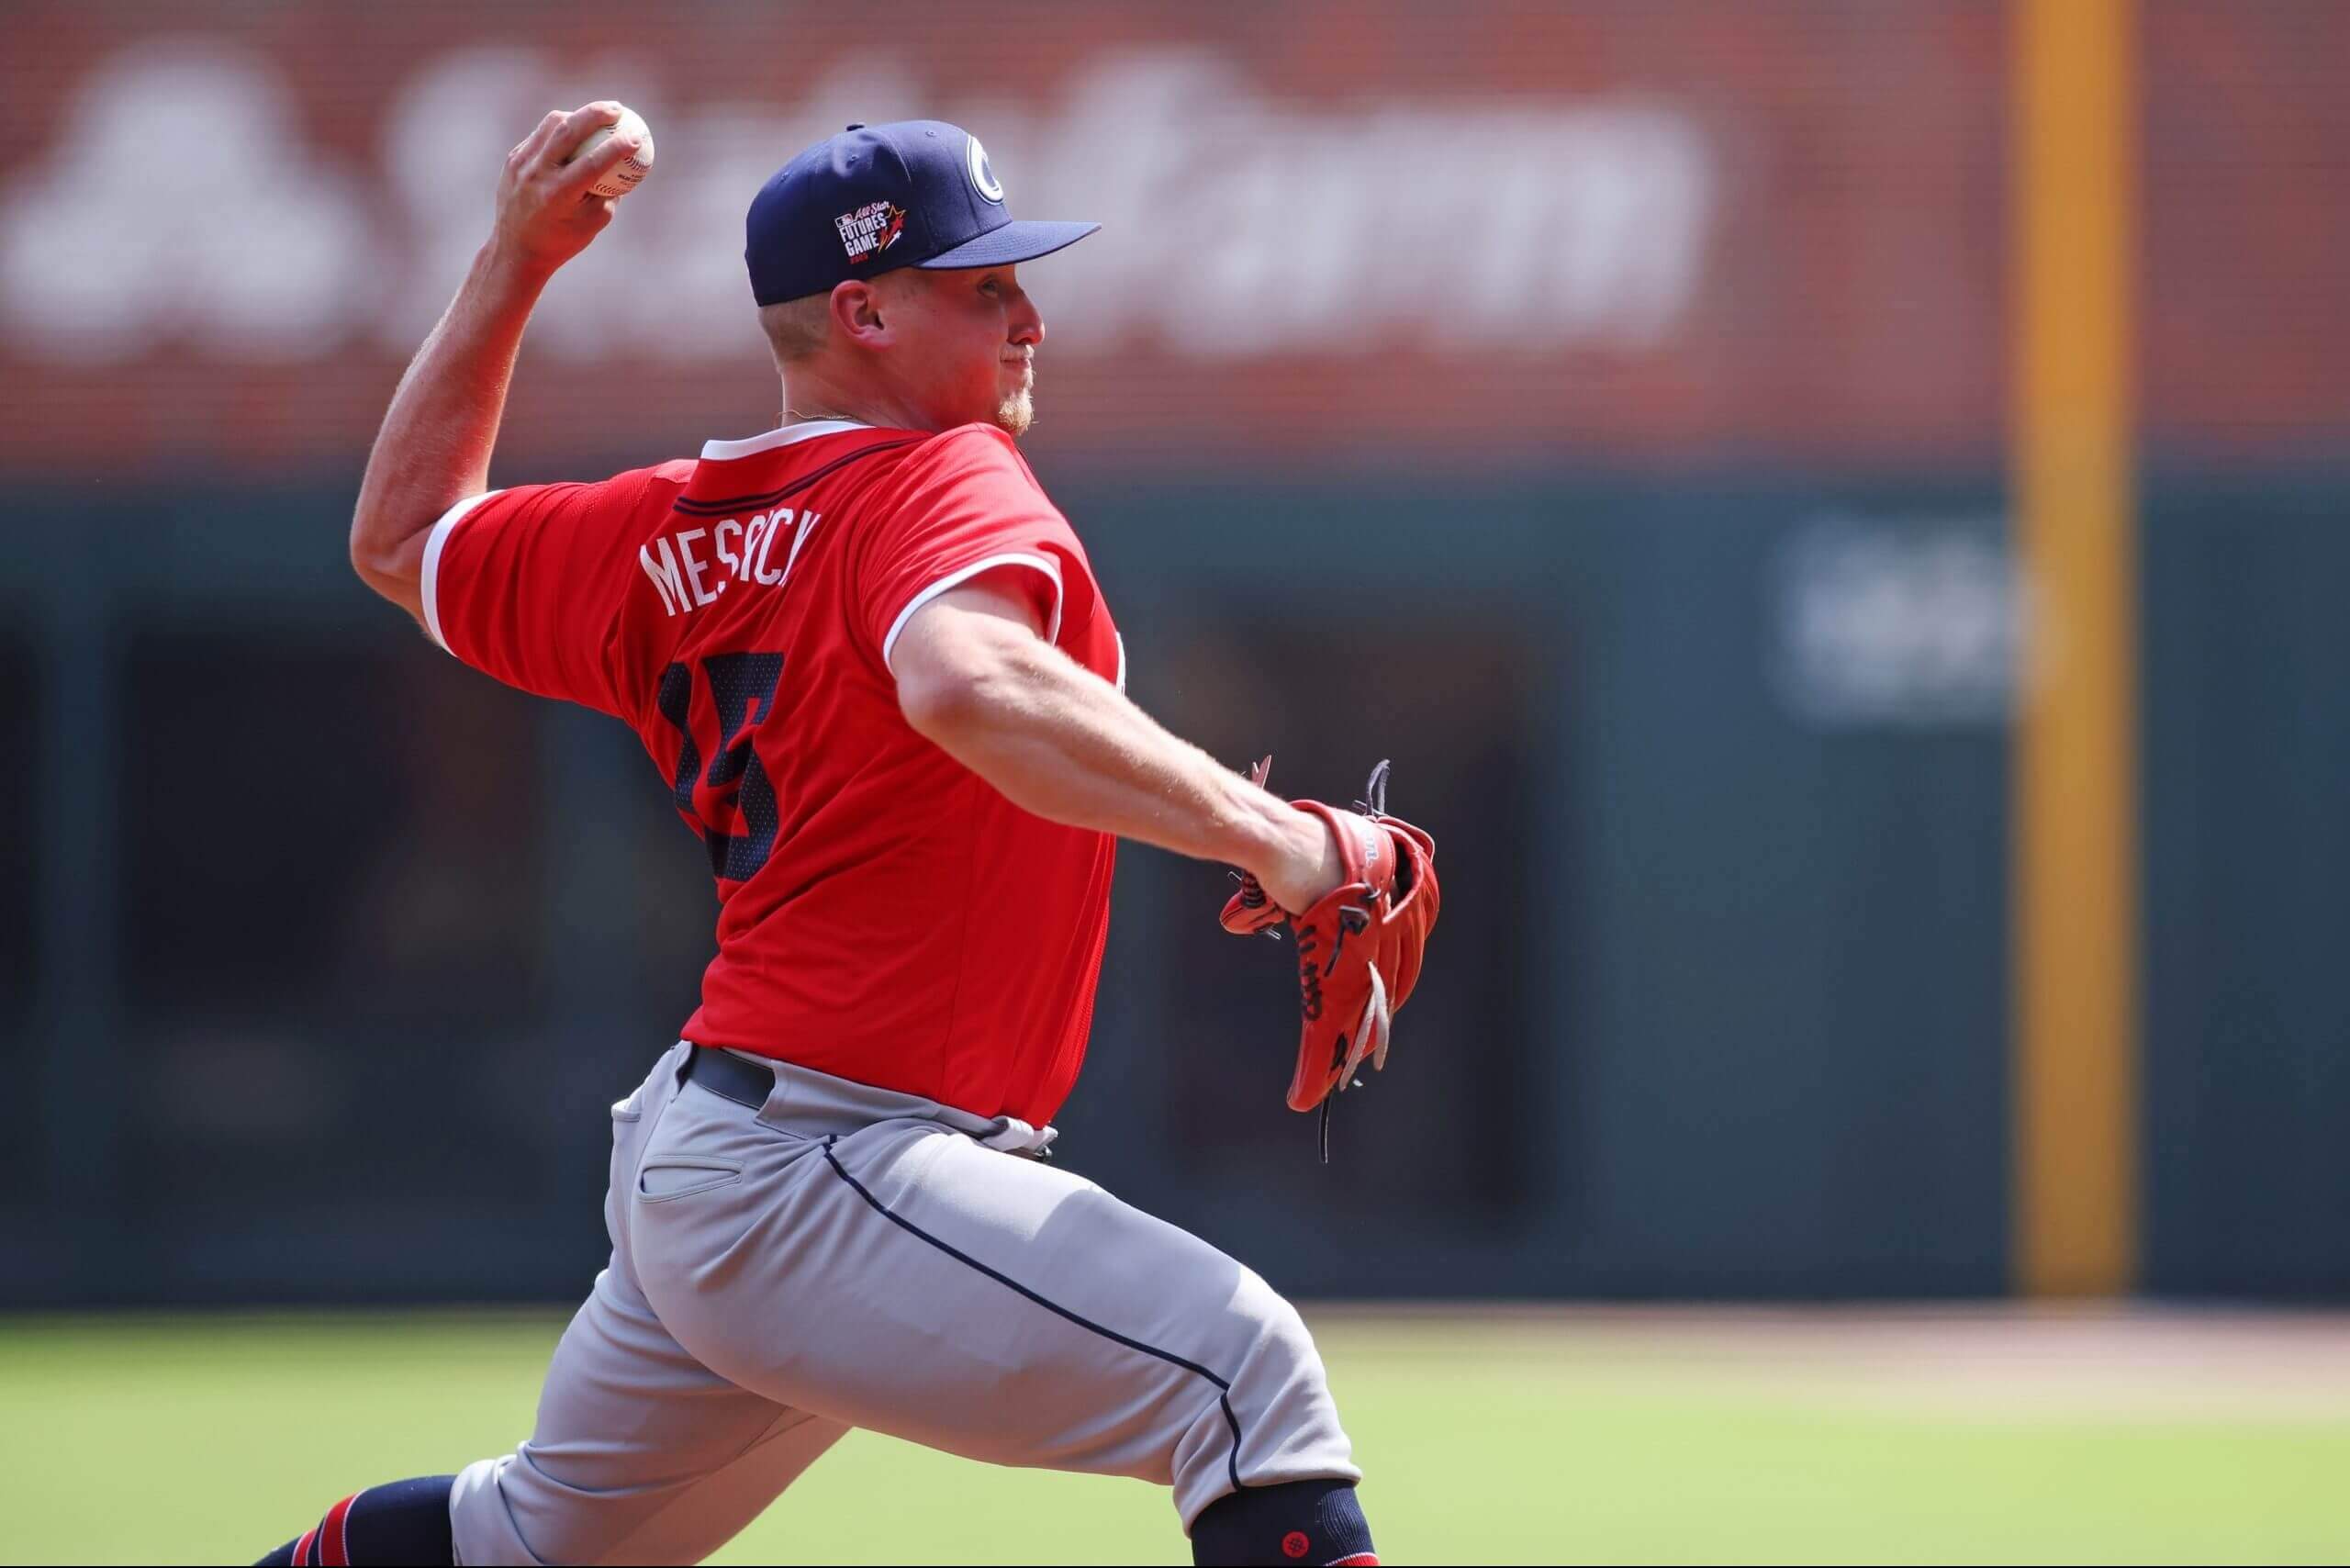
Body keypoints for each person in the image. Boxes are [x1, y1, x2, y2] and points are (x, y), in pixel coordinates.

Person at [260, 106, 1384, 1567]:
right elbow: (968, 682)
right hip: (830, 1153)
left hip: (731, 1152)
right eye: (984, 287)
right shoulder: (941, 474)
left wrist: (512, 263)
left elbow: (403, 541)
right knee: (1244, 1379)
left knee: (524, 1538)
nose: (1029, 316)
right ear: (860, 311)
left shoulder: (662, 528)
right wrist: (1281, 840)